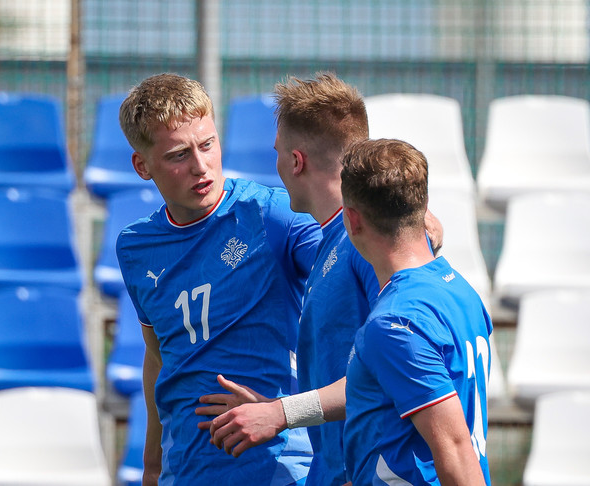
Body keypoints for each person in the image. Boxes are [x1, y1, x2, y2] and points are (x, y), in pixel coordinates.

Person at [196, 73, 443, 485]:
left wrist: (281, 413)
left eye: (277, 153)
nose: (275, 165)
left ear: (296, 162)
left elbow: (395, 369)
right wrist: (274, 408)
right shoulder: (334, 240)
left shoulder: (364, 247)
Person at [116, 72, 320, 485]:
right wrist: (152, 463)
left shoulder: (274, 216)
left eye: (207, 145)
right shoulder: (135, 248)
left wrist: (408, 223)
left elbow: (359, 264)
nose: (201, 166)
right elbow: (158, 356)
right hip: (187, 472)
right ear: (142, 165)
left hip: (282, 469)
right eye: (178, 155)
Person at [341, 138, 492, 485]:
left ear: (352, 219)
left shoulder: (395, 324)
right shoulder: (460, 290)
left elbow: (456, 454)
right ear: (423, 209)